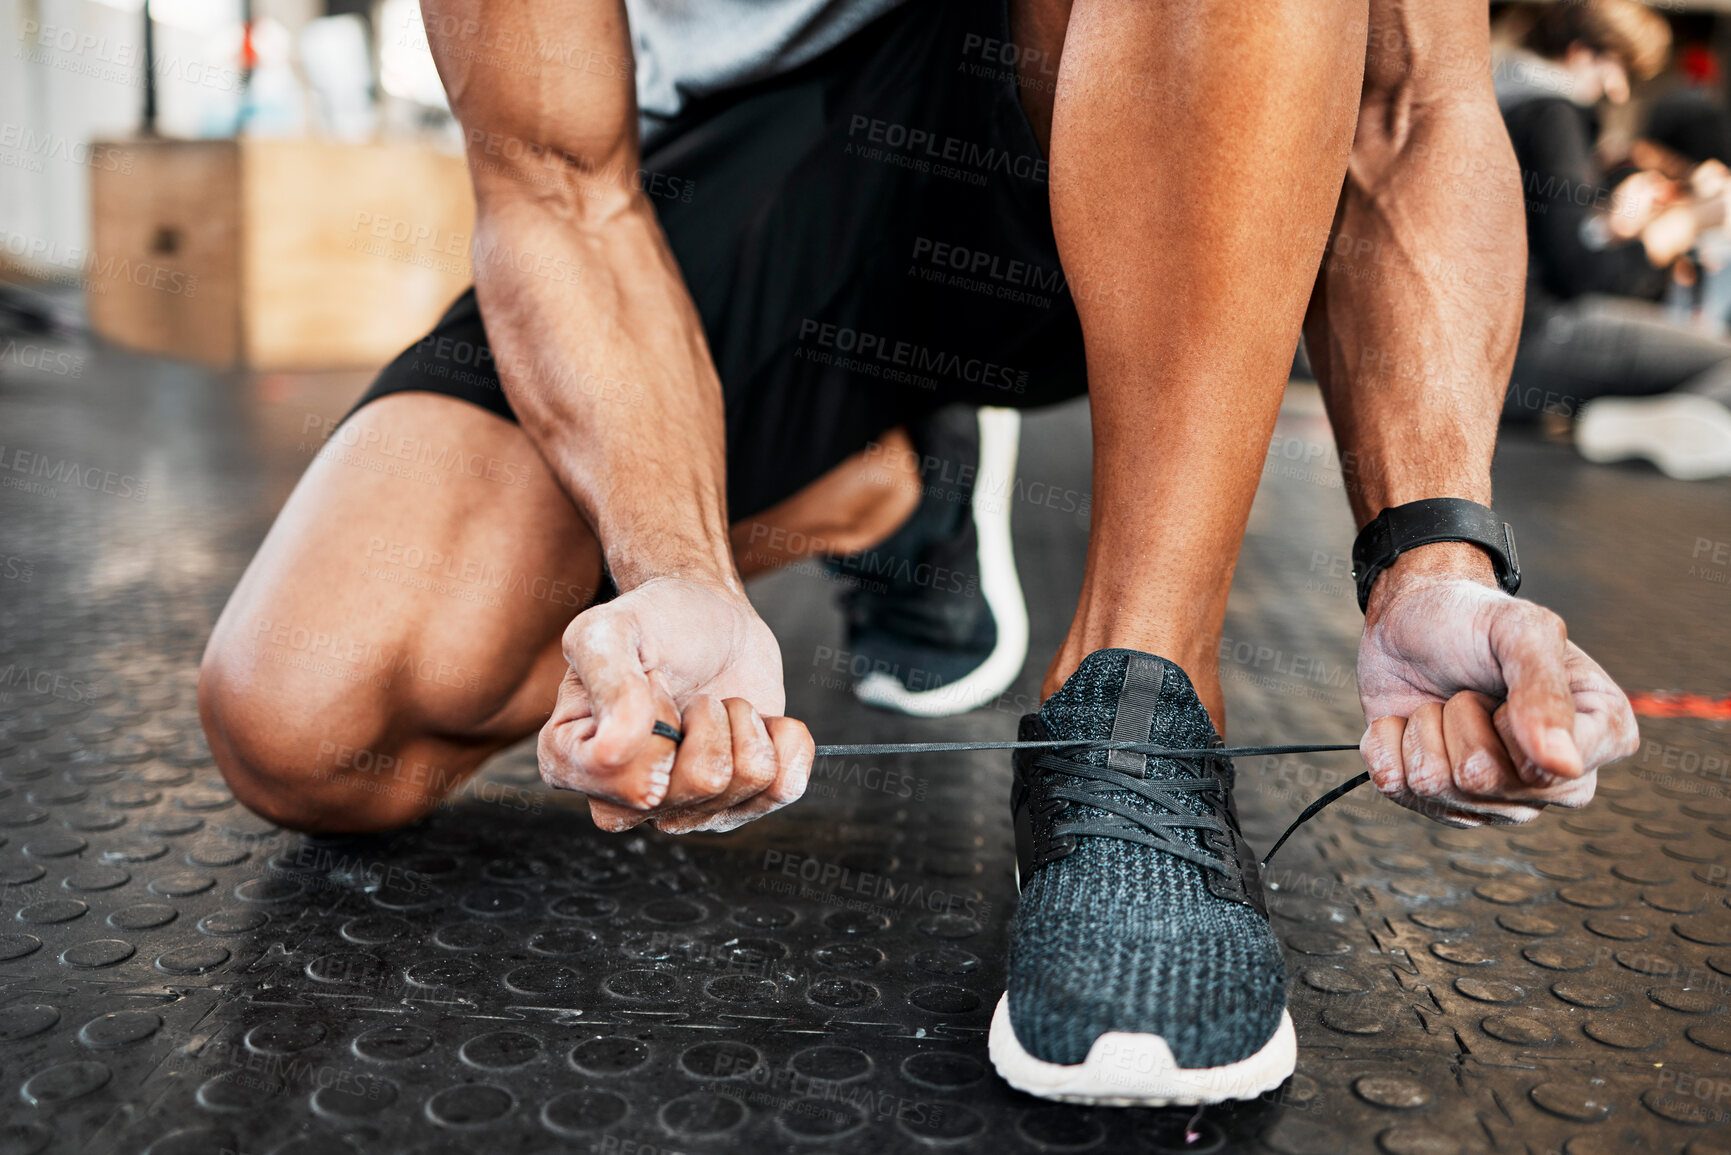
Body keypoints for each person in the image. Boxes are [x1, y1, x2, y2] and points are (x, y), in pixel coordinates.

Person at [199, 0, 1638, 1106]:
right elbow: (556, 188)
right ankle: (873, 490)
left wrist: (1431, 545)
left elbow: (1405, 101)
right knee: (311, 715)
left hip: (1125, 111)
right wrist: (674, 563)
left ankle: (1132, 707)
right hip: (734, 172)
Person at [1497, 0, 1731, 479]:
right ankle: (1621, 422)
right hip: (1535, 338)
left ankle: (1622, 418)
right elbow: (1582, 274)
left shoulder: (1504, 101)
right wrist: (1677, 227)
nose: (1619, 91)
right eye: (1618, 68)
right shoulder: (1550, 114)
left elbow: (1549, 240)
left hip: (1504, 340)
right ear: (1580, 52)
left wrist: (1613, 225)